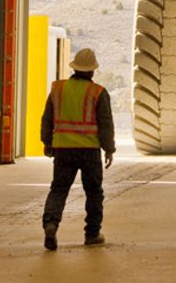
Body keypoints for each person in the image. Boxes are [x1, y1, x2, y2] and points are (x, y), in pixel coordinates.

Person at [40, 47, 115, 250]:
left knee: (59, 189)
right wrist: (109, 149)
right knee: (93, 192)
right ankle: (92, 234)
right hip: (89, 151)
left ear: (75, 67)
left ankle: (51, 224)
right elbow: (105, 123)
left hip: (63, 149)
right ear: (92, 71)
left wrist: (47, 142)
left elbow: (47, 118)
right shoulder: (97, 92)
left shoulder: (58, 89)